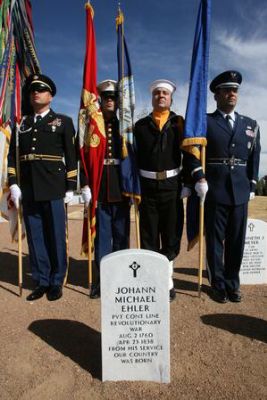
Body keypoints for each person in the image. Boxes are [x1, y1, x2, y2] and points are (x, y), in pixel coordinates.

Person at [134, 79, 207, 302]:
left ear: (171, 98)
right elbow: (133, 159)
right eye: (157, 93)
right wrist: (133, 188)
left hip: (171, 188)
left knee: (171, 233)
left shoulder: (180, 124)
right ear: (152, 98)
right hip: (146, 188)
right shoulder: (140, 126)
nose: (161, 96)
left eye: (165, 93)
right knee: (148, 235)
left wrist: (189, 181)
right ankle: (151, 279)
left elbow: (189, 155)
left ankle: (167, 280)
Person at [8, 74, 77, 301]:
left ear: (50, 95)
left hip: (54, 186)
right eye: (32, 91)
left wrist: (70, 186)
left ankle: (57, 280)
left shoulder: (63, 122)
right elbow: (12, 157)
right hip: (29, 188)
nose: (35, 93)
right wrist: (14, 183)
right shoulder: (22, 124)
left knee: (56, 235)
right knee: (36, 236)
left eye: (40, 90)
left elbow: (71, 155)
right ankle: (42, 279)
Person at [205, 70, 261, 303]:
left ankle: (232, 284)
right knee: (215, 240)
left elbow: (255, 155)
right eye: (226, 90)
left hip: (239, 189)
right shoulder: (206, 121)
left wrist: (252, 183)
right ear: (216, 95)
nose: (231, 94)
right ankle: (217, 284)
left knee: (237, 241)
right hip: (215, 187)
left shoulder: (250, 124)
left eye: (234, 90)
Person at [81, 79, 131, 299]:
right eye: (107, 97)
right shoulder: (92, 126)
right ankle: (101, 280)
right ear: (100, 100)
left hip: (121, 189)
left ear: (119, 102)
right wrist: (84, 184)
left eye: (114, 98)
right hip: (100, 187)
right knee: (102, 237)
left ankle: (120, 278)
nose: (110, 101)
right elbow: (83, 157)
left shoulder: (126, 128)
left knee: (121, 236)